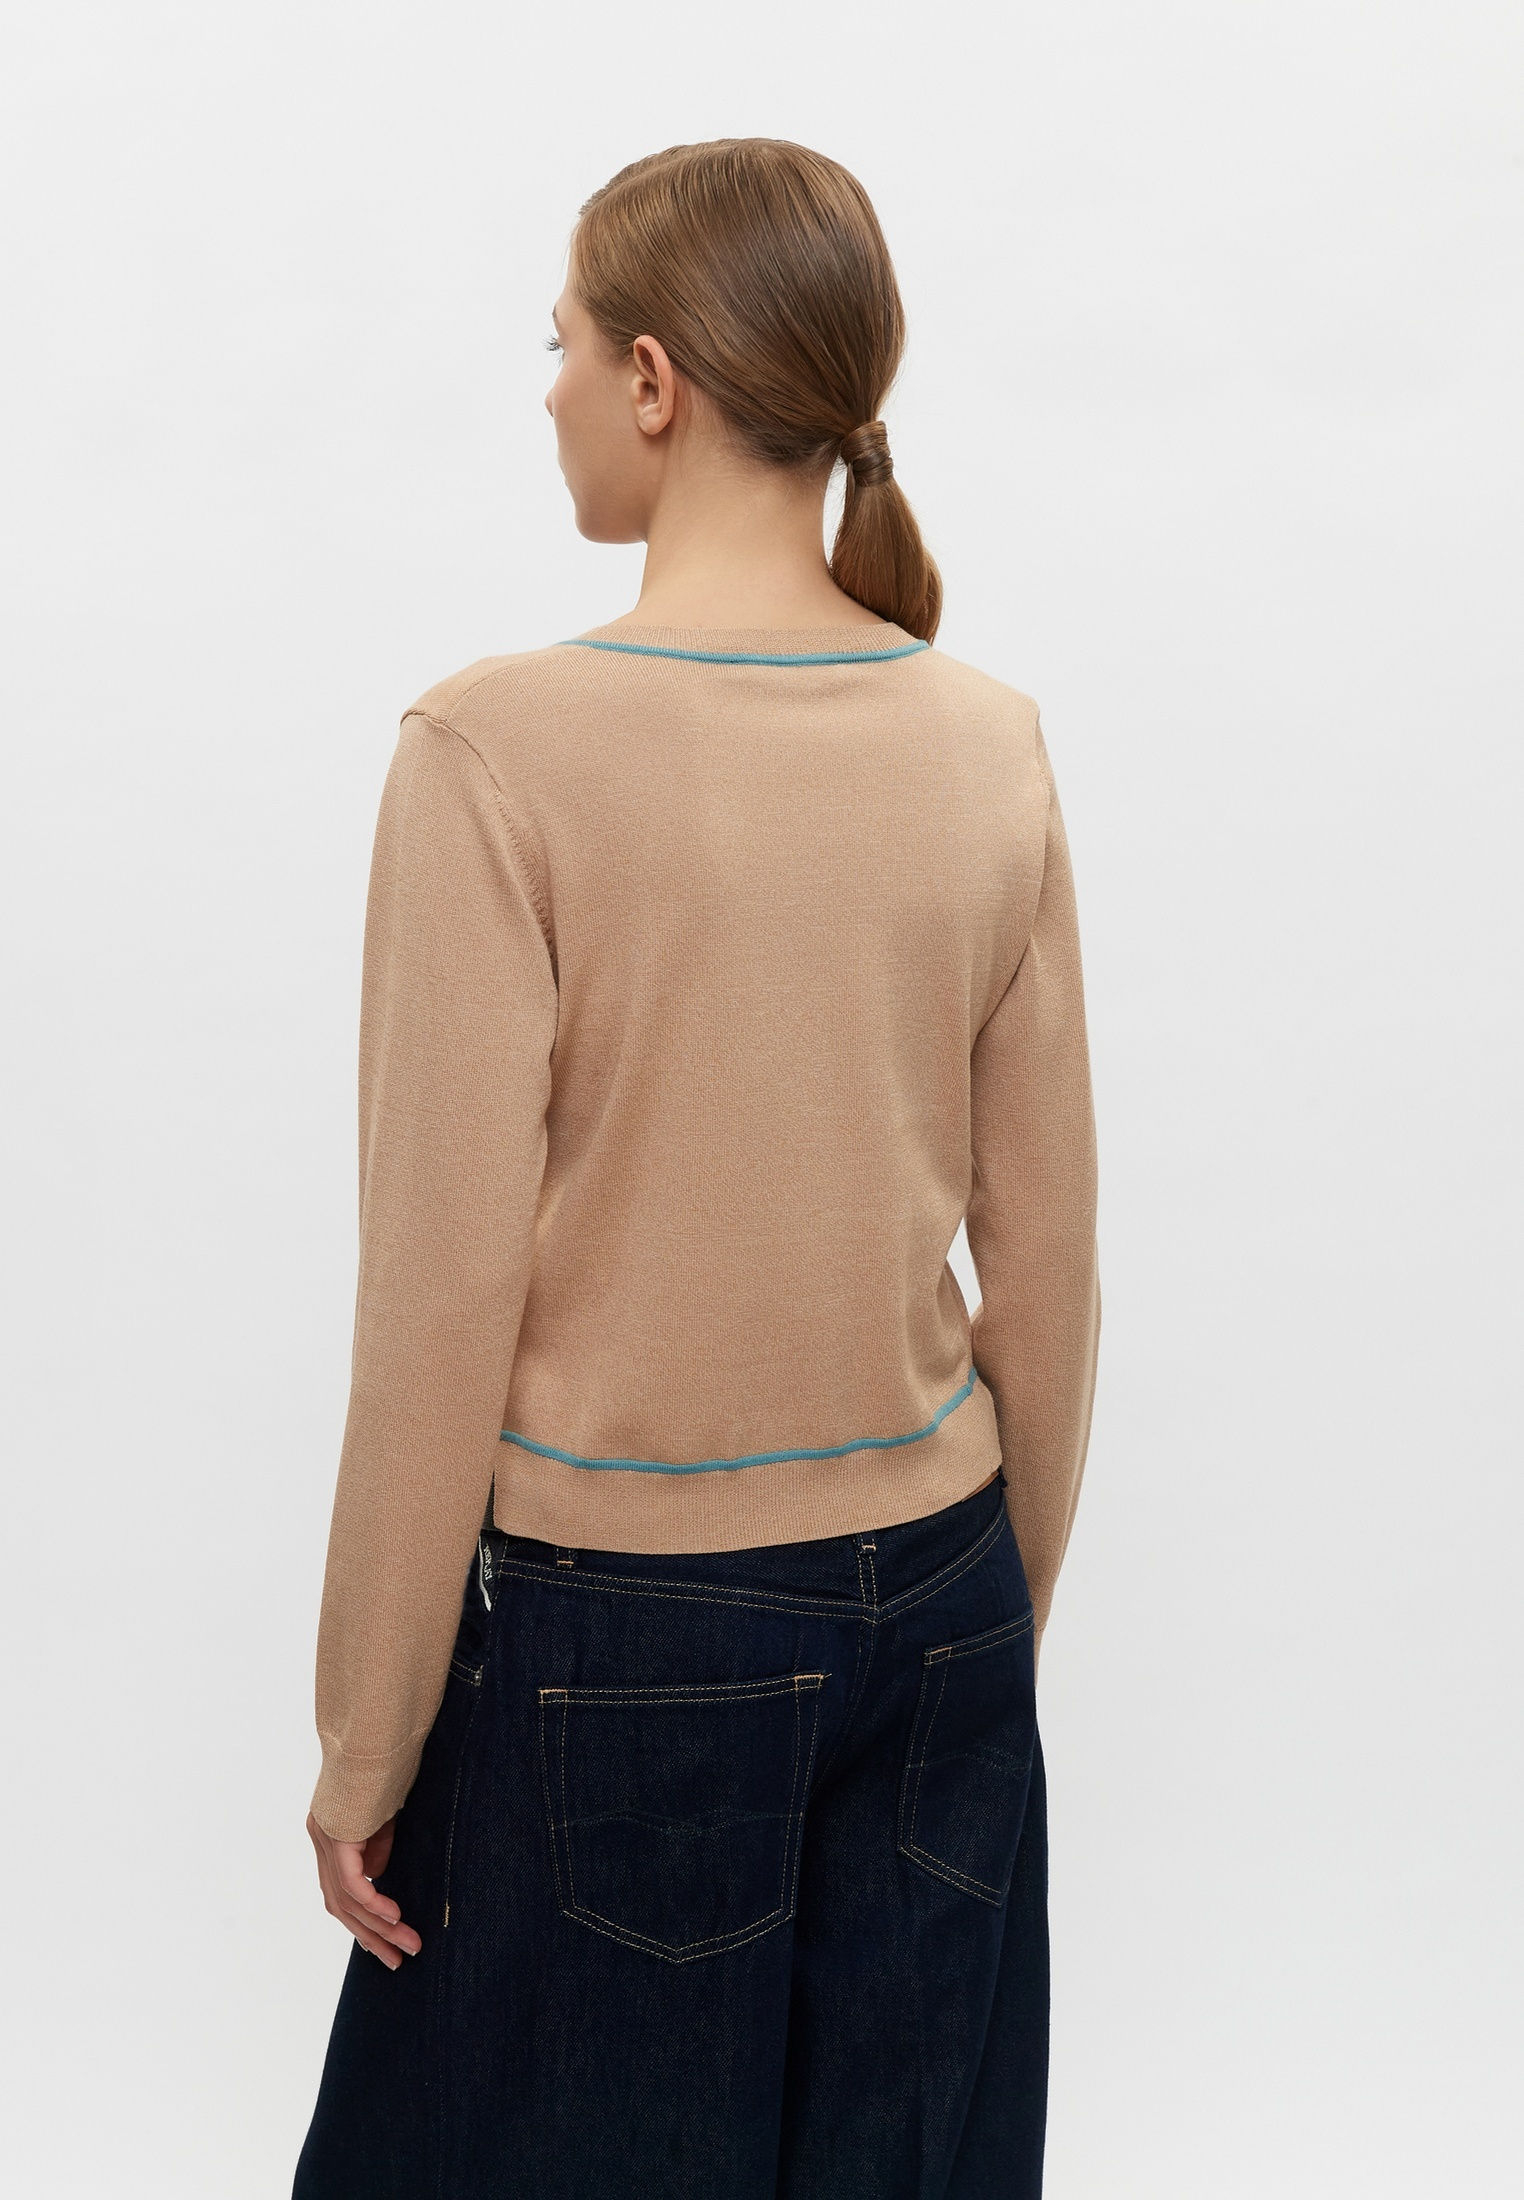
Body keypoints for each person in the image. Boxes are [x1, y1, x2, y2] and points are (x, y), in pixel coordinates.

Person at [293, 136, 1101, 2200]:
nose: (550, 388)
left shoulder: (494, 754)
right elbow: (1050, 1263)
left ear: (653, 381)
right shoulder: (988, 740)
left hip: (627, 1639)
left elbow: (437, 1299)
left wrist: (368, 1738)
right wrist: (983, 1633)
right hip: (940, 1594)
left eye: (562, 344)